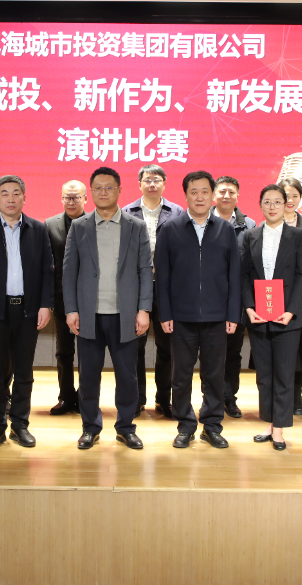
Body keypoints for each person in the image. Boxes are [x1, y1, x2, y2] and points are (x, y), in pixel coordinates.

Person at [63, 167, 153, 450]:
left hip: (125, 315)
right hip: (88, 315)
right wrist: (71, 309)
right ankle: (90, 427)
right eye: (98, 188)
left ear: (119, 190)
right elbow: (69, 271)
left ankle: (125, 427)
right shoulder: (79, 226)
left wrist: (144, 309)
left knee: (127, 376)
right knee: (89, 376)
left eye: (109, 187)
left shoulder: (135, 226)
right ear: (91, 192)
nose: (103, 192)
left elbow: (145, 269)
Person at [0, 175, 54, 451]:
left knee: (24, 372)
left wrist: (45, 304)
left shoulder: (38, 229)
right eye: (4, 193)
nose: (11, 198)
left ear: (24, 198)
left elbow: (47, 271)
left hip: (28, 311)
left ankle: (19, 425)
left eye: (16, 193)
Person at [155, 170, 241, 449]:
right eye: (194, 192)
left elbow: (234, 275)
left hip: (217, 317)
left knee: (214, 376)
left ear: (212, 195)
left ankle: (212, 426)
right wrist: (165, 313)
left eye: (205, 191)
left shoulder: (225, 229)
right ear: (186, 195)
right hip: (181, 317)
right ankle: (185, 426)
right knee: (180, 376)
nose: (200, 197)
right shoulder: (170, 228)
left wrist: (232, 314)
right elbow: (162, 276)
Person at [241, 184, 302, 451]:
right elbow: (244, 275)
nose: (272, 207)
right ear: (260, 204)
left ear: (286, 205)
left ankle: (279, 428)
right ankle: (269, 424)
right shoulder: (250, 235)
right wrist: (249, 308)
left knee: (283, 373)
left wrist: (291, 310)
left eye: (277, 202)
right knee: (264, 375)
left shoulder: (299, 236)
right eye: (267, 202)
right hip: (259, 315)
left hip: (287, 316)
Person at [124, 164, 185, 418]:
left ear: (164, 184)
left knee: (167, 348)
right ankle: (137, 399)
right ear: (139, 184)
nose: (152, 184)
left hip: (167, 288)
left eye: (157, 180)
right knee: (134, 348)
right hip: (136, 288)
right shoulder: (126, 212)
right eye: (147, 180)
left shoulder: (178, 212)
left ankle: (164, 399)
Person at [212, 175, 256, 419]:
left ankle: (229, 397)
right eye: (222, 191)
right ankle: (212, 398)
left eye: (231, 192)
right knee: (210, 352)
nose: (226, 196)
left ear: (238, 196)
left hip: (236, 299)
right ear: (214, 195)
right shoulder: (202, 220)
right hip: (208, 298)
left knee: (233, 351)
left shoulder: (249, 225)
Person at [45, 180, 88, 415]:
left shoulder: (96, 223)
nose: (71, 201)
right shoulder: (50, 225)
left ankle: (85, 398)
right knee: (63, 352)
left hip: (90, 301)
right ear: (61, 198)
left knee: (88, 353)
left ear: (85, 199)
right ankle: (65, 396)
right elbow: (46, 264)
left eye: (75, 197)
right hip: (62, 300)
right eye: (67, 197)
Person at [279, 176, 302, 415]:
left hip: (301, 295)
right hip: (273, 293)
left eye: (295, 195)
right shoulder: (266, 224)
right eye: (286, 196)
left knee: (298, 350)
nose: (290, 200)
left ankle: (296, 396)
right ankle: (277, 396)